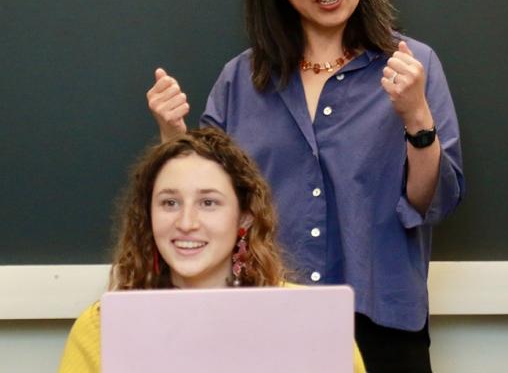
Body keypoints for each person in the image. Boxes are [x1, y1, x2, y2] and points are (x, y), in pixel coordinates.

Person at [145, 0, 464, 370]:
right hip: (261, 321)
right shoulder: (241, 80)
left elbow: (433, 203)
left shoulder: (413, 65)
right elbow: (210, 202)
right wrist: (173, 133)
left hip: (382, 325)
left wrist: (416, 115)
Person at [58, 128, 365, 372]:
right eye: (169, 203)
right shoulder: (101, 327)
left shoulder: (313, 321)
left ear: (244, 215)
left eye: (208, 203)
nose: (186, 222)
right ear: (147, 217)